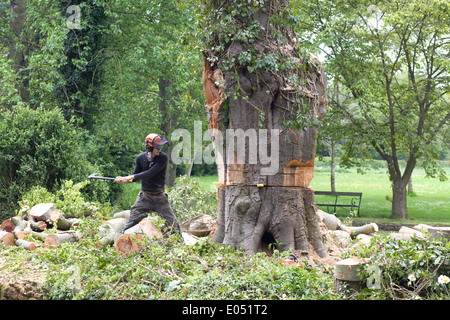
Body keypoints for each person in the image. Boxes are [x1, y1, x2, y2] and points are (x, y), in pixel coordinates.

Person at [115, 133, 181, 237]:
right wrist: (124, 180)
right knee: (131, 222)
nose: (159, 149)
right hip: (144, 198)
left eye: (160, 147)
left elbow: (150, 173)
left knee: (172, 224)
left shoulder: (163, 157)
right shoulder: (140, 158)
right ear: (149, 147)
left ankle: (182, 246)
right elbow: (134, 178)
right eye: (157, 147)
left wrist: (131, 177)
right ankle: (120, 241)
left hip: (160, 198)